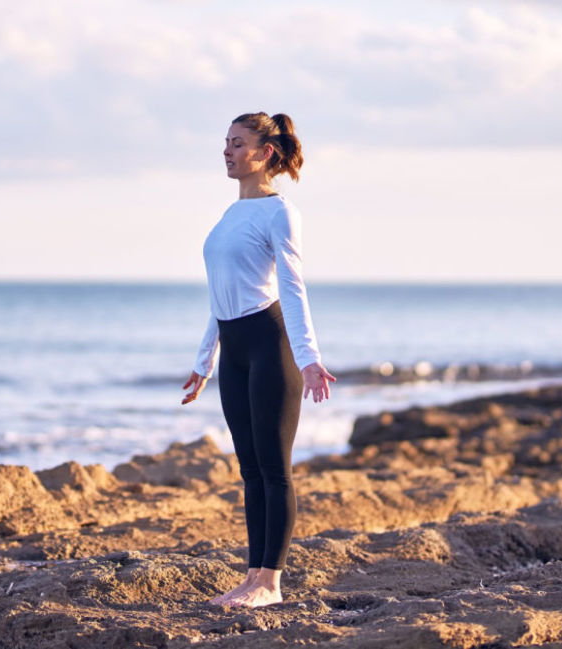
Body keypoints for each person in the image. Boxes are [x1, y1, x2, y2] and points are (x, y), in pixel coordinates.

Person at [181, 112, 337, 608]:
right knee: (249, 470)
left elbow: (292, 289)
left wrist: (310, 358)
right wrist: (205, 361)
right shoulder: (228, 216)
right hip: (235, 351)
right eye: (225, 142)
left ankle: (272, 582)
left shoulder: (279, 212)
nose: (227, 151)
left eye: (238, 143)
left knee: (274, 469)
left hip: (271, 346)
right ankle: (252, 577)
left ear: (265, 152)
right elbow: (220, 295)